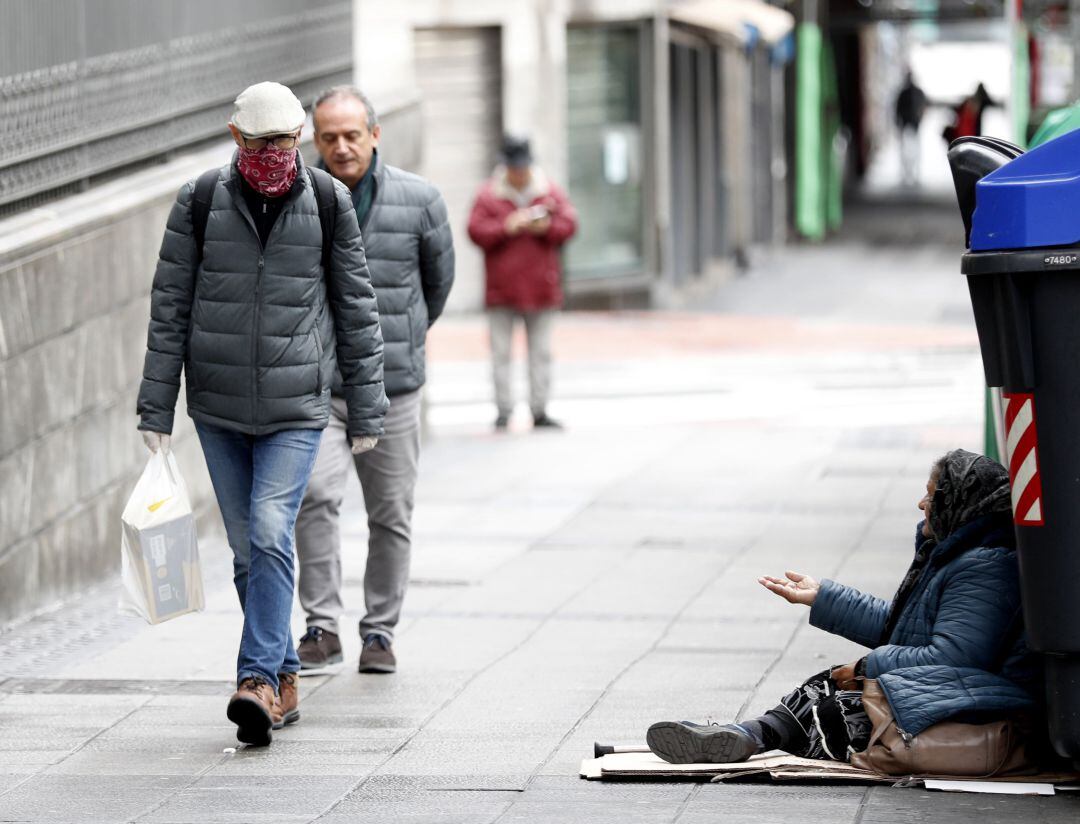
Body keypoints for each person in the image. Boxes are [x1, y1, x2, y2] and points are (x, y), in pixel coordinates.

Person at [137, 81, 388, 747]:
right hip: (218, 407)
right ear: (235, 136)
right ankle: (283, 676)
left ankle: (254, 679)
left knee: (273, 530)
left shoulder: (328, 201)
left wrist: (366, 409)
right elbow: (169, 307)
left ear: (298, 137)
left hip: (296, 406)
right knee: (248, 548)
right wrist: (156, 407)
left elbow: (357, 308)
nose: (273, 152)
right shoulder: (198, 200)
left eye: (283, 140)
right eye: (259, 142)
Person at [647, 449, 1038, 764]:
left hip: (984, 706)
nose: (921, 504)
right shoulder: (960, 556)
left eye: (932, 495)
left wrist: (867, 667)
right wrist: (824, 597)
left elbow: (952, 657)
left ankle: (748, 736)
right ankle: (745, 734)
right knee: (825, 687)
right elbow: (904, 628)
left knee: (837, 710)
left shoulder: (984, 566)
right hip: (953, 691)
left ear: (960, 503)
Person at [292, 86, 455, 674]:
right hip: (319, 388)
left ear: (375, 135)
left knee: (390, 513)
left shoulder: (420, 199)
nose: (341, 147)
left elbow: (437, 285)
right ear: (313, 139)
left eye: (352, 135)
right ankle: (321, 625)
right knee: (314, 498)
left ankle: (380, 632)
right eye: (329, 137)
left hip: (392, 388)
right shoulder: (296, 200)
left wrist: (401, 337)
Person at [467, 135, 578, 431]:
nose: (519, 173)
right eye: (514, 167)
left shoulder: (548, 192)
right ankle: (504, 410)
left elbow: (570, 224)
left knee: (541, 353)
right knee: (501, 354)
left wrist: (547, 228)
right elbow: (474, 230)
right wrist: (506, 227)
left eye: (523, 167)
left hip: (541, 287)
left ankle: (539, 409)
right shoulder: (488, 195)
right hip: (501, 289)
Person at [894, 71, 927, 186]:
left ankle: (910, 174)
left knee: (910, 151)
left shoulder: (906, 93)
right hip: (909, 125)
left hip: (910, 125)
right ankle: (909, 174)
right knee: (909, 151)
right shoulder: (913, 92)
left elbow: (898, 110)